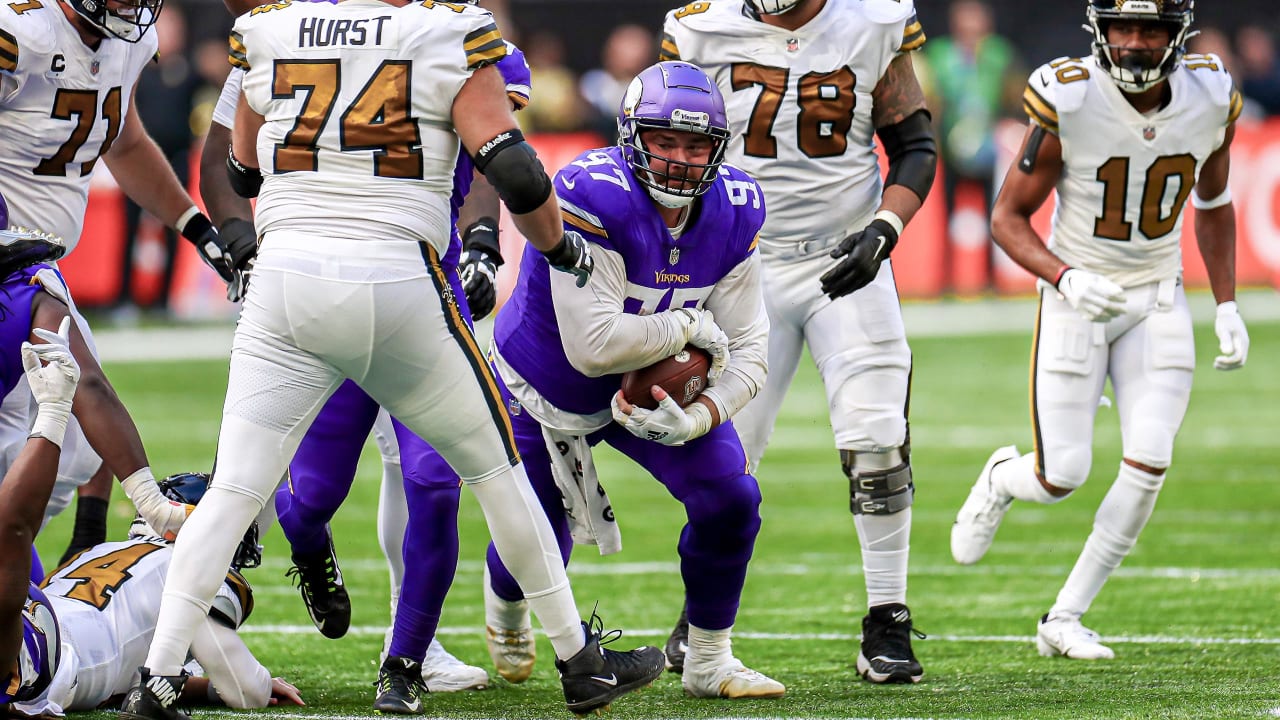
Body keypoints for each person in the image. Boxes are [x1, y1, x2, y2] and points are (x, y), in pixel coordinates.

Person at [118, 2, 664, 719]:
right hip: (397, 278)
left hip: (286, 283)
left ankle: (157, 680)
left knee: (232, 495)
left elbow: (241, 171)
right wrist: (559, 247)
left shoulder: (271, 27)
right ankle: (579, 662)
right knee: (497, 474)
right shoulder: (453, 30)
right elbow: (515, 171)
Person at [950, 0, 1249, 660]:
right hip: (1077, 296)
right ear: (1100, 30)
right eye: (1123, 28)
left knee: (1150, 459)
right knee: (1063, 477)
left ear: (1178, 35)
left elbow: (1215, 202)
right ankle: (1003, 477)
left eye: (1150, 29)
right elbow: (1007, 218)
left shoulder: (1210, 94)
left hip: (1156, 296)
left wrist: (1226, 303)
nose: (1136, 43)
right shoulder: (1070, 99)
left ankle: (1065, 616)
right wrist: (1064, 277)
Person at [479, 58, 781, 700]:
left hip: (650, 386)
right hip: (546, 383)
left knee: (732, 499)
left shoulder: (735, 209)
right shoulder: (593, 192)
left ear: (718, 149)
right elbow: (592, 348)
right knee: (539, 544)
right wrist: (688, 327)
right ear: (630, 139)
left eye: (695, 145)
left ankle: (707, 660)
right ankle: (505, 606)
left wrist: (702, 415)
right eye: (663, 142)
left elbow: (752, 349)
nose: (678, 160)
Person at [659, 0, 937, 684]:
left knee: (876, 436)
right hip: (738, 266)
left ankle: (888, 618)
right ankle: (701, 620)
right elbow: (666, 148)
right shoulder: (700, 27)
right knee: (725, 461)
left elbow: (915, 146)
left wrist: (884, 231)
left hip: (845, 259)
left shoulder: (873, 20)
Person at [271, 35, 534, 710]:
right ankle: (303, 543)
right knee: (312, 500)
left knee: (431, 478)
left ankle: (408, 654)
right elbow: (244, 156)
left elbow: (488, 152)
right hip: (328, 289)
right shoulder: (311, 30)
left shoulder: (464, 35)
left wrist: (480, 242)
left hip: (424, 294)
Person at [0, 0, 254, 552]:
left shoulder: (127, 43)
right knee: (63, 424)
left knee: (73, 450)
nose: (130, 5)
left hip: (37, 277)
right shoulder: (18, 29)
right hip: (10, 274)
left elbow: (125, 141)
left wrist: (192, 225)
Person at [16, 472, 304, 717]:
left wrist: (204, 688)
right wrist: (262, 683)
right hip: (47, 662)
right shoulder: (191, 565)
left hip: (28, 627)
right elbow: (246, 691)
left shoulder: (98, 553)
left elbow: (144, 672)